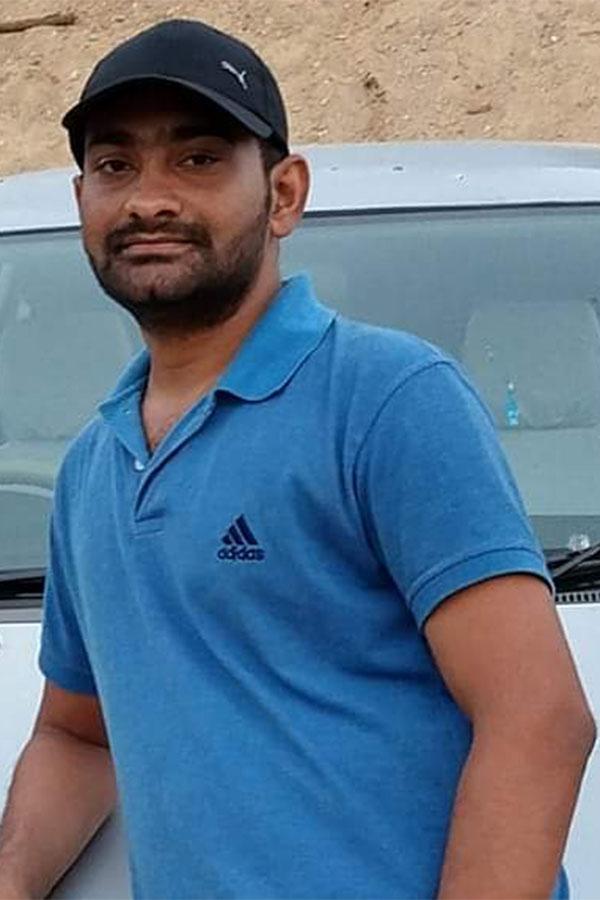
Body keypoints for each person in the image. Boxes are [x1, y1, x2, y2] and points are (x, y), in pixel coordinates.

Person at [0, 18, 595, 900]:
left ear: (284, 195)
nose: (149, 199)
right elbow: (77, 735)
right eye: (116, 164)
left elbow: (537, 719)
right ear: (83, 198)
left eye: (199, 158)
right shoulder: (93, 468)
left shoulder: (388, 398)